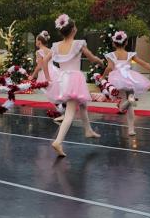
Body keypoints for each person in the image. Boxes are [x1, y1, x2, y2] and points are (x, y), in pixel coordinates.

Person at [43, 14, 104, 157]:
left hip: (63, 79)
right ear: (72, 30)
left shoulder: (56, 46)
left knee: (82, 104)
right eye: (75, 26)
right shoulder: (78, 44)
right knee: (70, 112)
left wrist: (48, 78)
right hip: (74, 79)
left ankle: (88, 130)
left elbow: (45, 61)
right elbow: (91, 57)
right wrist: (100, 62)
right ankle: (58, 141)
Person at [103, 30, 150, 136]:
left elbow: (109, 67)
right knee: (130, 103)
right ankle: (131, 129)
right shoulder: (130, 54)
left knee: (124, 103)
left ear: (114, 43)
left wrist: (103, 77)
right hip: (130, 78)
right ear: (126, 42)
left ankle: (123, 108)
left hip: (117, 79)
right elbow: (145, 64)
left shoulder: (111, 55)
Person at [30, 31, 64, 123]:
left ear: (39, 42)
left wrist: (33, 75)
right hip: (53, 70)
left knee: (49, 91)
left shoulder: (39, 52)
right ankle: (61, 107)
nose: (35, 42)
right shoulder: (50, 50)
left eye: (36, 41)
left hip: (46, 72)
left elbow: (40, 65)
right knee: (53, 90)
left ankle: (61, 109)